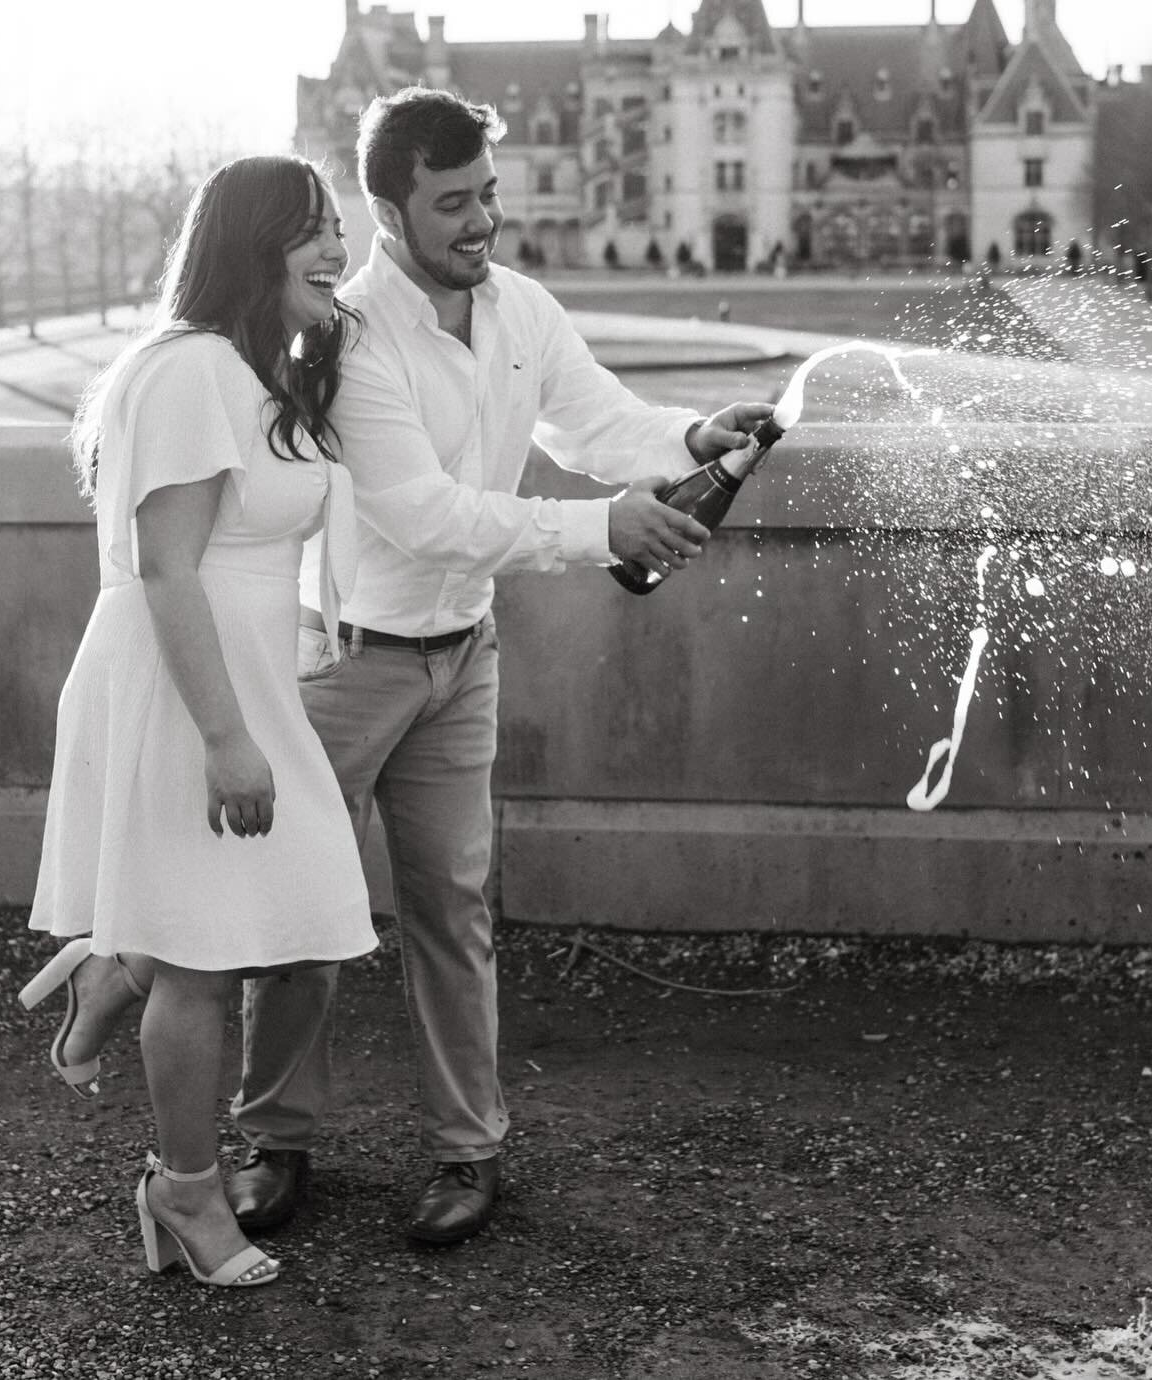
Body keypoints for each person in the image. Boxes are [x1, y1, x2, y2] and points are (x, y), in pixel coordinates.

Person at [226, 88, 774, 1247]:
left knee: (454, 913)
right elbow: (424, 515)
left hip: (461, 659)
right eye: (454, 202)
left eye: (489, 193)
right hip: (347, 664)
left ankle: (466, 1152)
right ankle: (278, 1141)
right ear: (387, 208)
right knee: (304, 915)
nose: (484, 220)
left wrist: (691, 437)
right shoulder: (347, 331)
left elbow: (592, 422)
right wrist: (597, 532)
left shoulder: (521, 305)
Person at [19, 156, 377, 1289]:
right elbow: (169, 570)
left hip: (244, 674)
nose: (338, 247)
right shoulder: (189, 372)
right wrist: (227, 735)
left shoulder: (254, 370)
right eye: (314, 230)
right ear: (251, 243)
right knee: (209, 964)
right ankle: (184, 1186)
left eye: (338, 226)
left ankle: (121, 958)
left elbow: (254, 540)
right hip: (186, 687)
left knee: (294, 915)